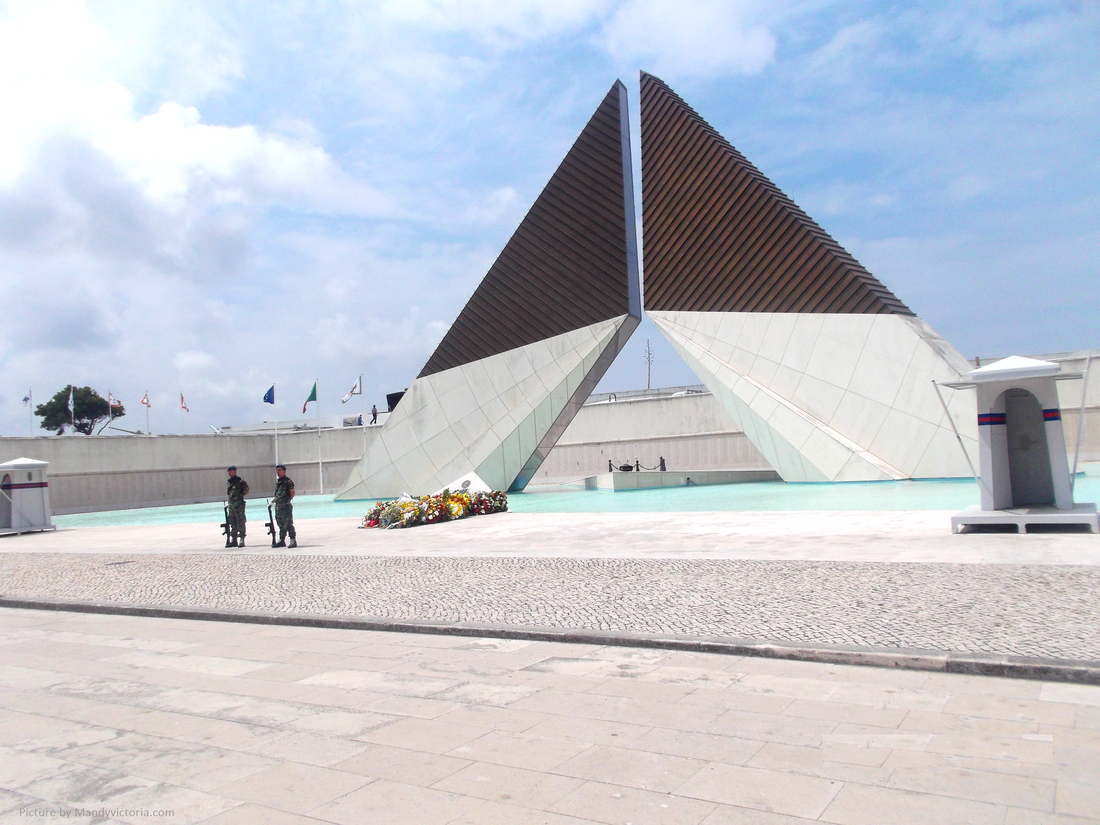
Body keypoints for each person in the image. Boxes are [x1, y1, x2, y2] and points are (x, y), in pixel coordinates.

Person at [273, 463, 296, 548]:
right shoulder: (278, 482)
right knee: (280, 524)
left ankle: (292, 539)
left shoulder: (288, 481)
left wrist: (287, 500)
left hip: (285, 506)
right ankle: (282, 540)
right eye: (277, 470)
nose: (277, 472)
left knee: (288, 523)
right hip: (278, 507)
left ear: (284, 471)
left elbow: (292, 492)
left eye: (279, 470)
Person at [225, 466, 249, 547]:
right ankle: (234, 540)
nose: (229, 472)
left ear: (235, 471)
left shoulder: (240, 481)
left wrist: (239, 497)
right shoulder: (229, 481)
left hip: (238, 505)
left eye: (231, 471)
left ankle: (242, 539)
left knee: (241, 522)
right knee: (233, 522)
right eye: (228, 471)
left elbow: (246, 490)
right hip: (231, 505)